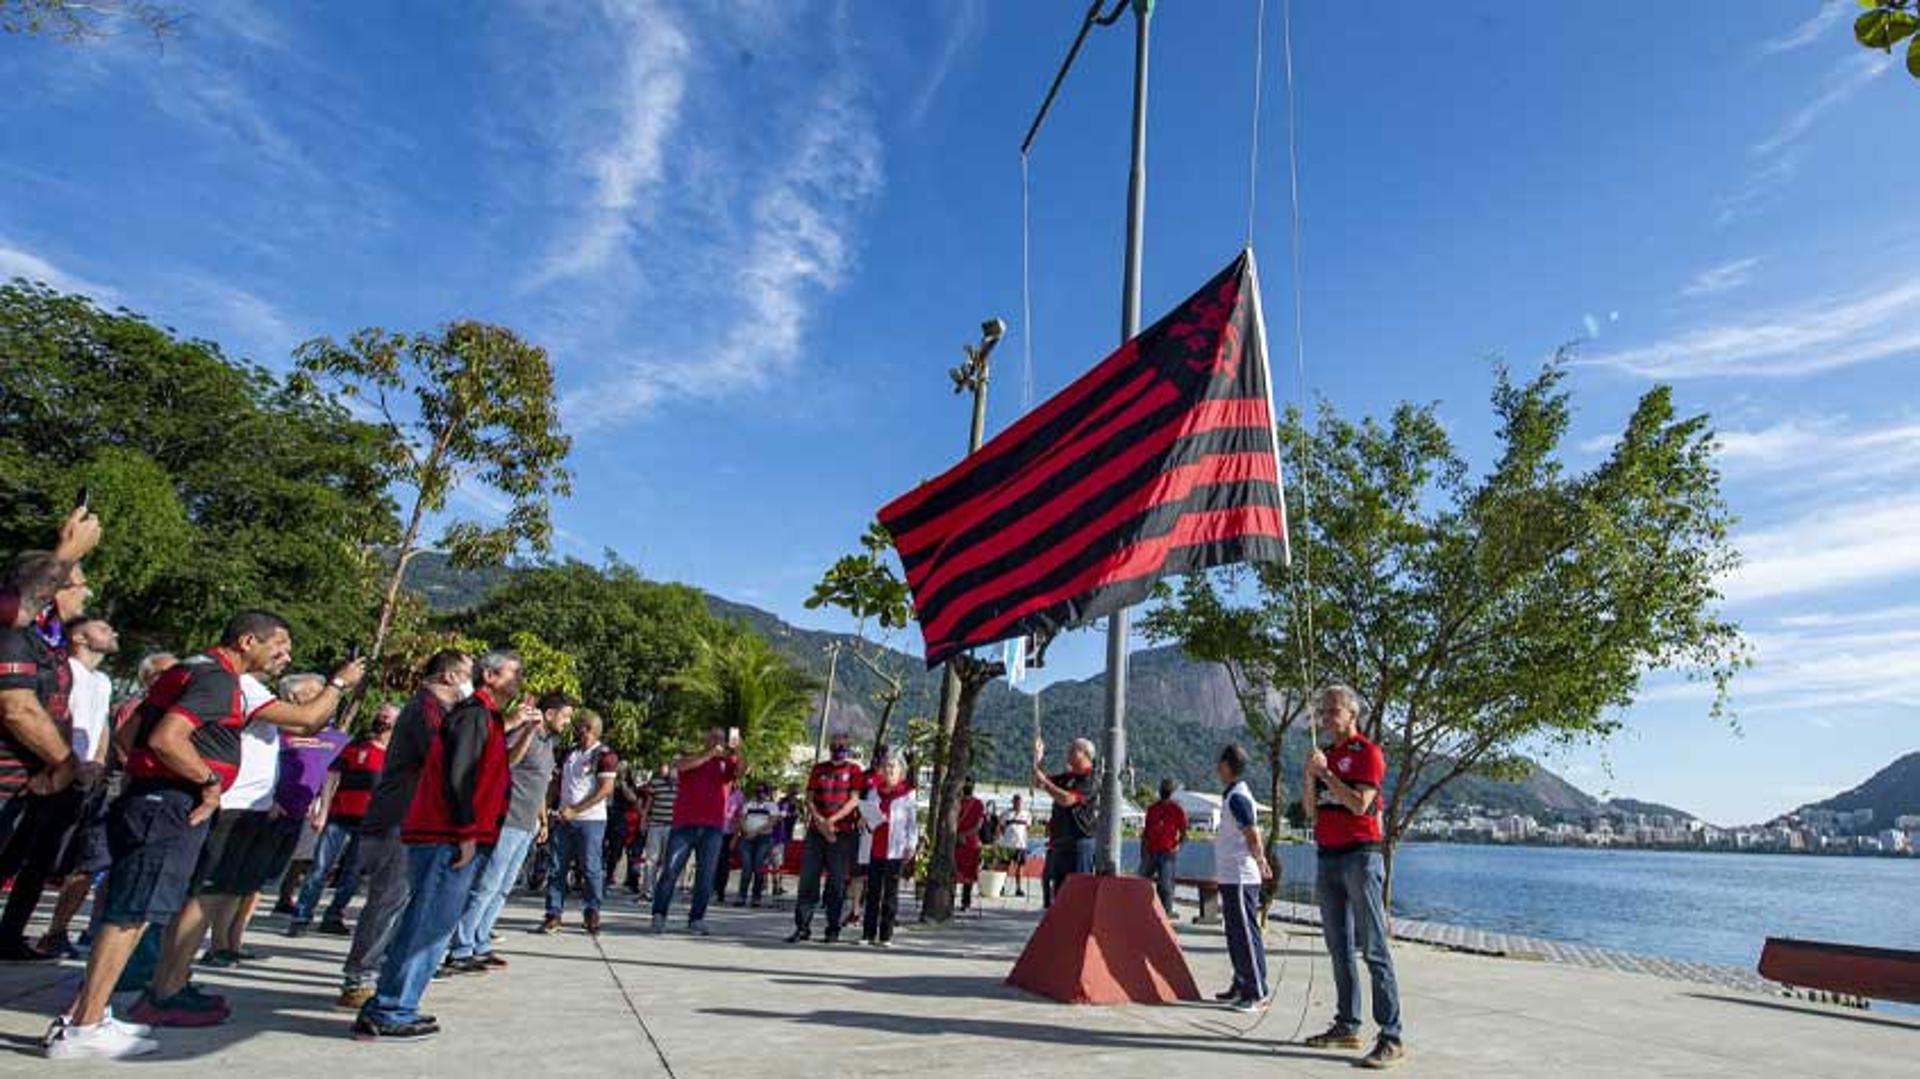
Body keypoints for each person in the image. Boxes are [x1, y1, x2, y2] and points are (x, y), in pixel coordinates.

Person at [45, 611, 362, 1060]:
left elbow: (132, 732)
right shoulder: (221, 680)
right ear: (249, 641)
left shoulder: (188, 669)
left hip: (155, 797)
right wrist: (207, 781)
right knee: (130, 914)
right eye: (280, 645)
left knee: (133, 910)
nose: (285, 656)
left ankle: (90, 1012)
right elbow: (164, 739)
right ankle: (84, 1024)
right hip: (172, 802)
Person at [353, 649, 518, 1042]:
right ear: (491, 676)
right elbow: (460, 776)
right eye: (515, 672)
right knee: (428, 923)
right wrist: (464, 832)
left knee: (433, 923)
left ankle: (395, 1003)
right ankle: (391, 1007)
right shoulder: (474, 715)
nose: (520, 680)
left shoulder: (483, 716)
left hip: (457, 835)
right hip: (447, 836)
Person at [336, 649, 471, 1011]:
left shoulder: (436, 709)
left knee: (398, 902)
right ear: (451, 676)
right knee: (387, 901)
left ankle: (378, 971)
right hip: (397, 819)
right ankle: (358, 977)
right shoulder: (426, 707)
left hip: (412, 820)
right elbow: (443, 756)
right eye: (470, 674)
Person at [1300, 685, 1406, 1070]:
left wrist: (1326, 774)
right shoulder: (1326, 756)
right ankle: (1346, 1024)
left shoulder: (1367, 753)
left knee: (1373, 948)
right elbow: (1310, 812)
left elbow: (1361, 805)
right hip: (1327, 856)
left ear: (1352, 715)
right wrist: (1308, 775)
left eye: (1333, 711)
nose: (1326, 718)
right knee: (1338, 948)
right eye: (1323, 712)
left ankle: (1391, 1035)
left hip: (1361, 857)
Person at [0, 552, 89, 962]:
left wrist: (65, 765)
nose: (86, 592)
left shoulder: (50, 644)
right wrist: (63, 761)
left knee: (30, 861)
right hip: (11, 779)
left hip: (41, 781)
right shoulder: (13, 635)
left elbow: (57, 710)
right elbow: (17, 709)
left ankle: (9, 936)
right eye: (78, 584)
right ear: (52, 591)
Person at [449, 691, 564, 969]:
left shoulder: (550, 743)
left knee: (503, 888)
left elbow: (541, 784)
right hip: (508, 819)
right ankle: (460, 948)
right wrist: (527, 731)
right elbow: (507, 761)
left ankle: (480, 941)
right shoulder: (528, 735)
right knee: (486, 885)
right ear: (549, 714)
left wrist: (543, 821)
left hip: (527, 823)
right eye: (566, 715)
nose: (568, 721)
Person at [32, 616, 118, 959]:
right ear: (80, 637)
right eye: (103, 628)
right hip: (57, 771)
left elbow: (102, 724)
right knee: (35, 856)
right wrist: (68, 761)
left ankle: (56, 931)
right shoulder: (63, 669)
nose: (113, 633)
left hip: (88, 779)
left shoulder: (103, 680)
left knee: (83, 860)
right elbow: (57, 716)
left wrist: (97, 760)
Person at [287, 700, 396, 937]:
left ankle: (334, 915)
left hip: (371, 823)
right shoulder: (356, 747)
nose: (382, 720)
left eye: (388, 717)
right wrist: (323, 811)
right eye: (381, 715)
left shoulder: (397, 755)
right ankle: (302, 916)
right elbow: (331, 778)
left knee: (353, 873)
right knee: (320, 868)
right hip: (340, 817)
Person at [264, 679, 353, 920]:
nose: (322, 696)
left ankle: (287, 897)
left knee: (306, 857)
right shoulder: (278, 731)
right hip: (276, 805)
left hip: (314, 807)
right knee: (265, 865)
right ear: (293, 699)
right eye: (311, 692)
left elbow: (337, 773)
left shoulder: (340, 738)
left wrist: (324, 806)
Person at [648, 727, 741, 936]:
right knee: (671, 869)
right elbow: (681, 766)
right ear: (705, 738)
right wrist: (710, 754)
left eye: (721, 738)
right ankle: (659, 914)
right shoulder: (690, 757)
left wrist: (738, 751)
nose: (718, 741)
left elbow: (739, 772)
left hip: (713, 827)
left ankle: (697, 918)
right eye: (713, 737)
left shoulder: (725, 763)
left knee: (706, 875)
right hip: (685, 824)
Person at [542, 707, 616, 935]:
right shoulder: (569, 753)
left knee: (591, 868)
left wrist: (577, 809)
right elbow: (555, 783)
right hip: (563, 818)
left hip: (590, 820)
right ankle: (553, 913)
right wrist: (547, 809)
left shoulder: (604, 755)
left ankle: (592, 911)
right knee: (556, 867)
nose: (577, 731)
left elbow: (605, 790)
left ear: (592, 730)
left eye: (581, 728)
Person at [787, 731, 865, 943]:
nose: (838, 750)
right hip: (816, 832)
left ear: (848, 748)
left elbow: (854, 800)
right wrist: (820, 822)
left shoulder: (855, 770)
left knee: (836, 883)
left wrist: (832, 821)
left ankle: (832, 929)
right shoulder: (819, 769)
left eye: (842, 746)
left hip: (841, 833)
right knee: (808, 880)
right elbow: (810, 798)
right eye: (834, 746)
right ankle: (802, 927)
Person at [1211, 747, 1273, 1013]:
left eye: (1220, 764)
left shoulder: (1238, 797)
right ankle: (1241, 981)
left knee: (1246, 934)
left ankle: (1257, 991)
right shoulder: (1231, 795)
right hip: (1229, 875)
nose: (1217, 769)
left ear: (1227, 766)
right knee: (1234, 933)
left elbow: (1252, 833)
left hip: (1240, 876)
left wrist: (1261, 861)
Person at [859, 752, 918, 947]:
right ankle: (868, 934)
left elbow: (912, 823)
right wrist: (867, 820)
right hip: (875, 846)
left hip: (895, 849)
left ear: (901, 771)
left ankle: (886, 935)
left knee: (890, 894)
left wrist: (911, 846)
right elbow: (866, 816)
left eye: (894, 766)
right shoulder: (874, 791)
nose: (890, 769)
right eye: (887, 766)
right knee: (872, 892)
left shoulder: (907, 793)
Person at [1032, 737, 1098, 908]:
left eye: (1072, 750)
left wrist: (1045, 783)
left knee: (1079, 891)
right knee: (1060, 893)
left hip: (1080, 842)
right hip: (1061, 841)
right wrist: (1038, 758)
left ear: (1084, 754)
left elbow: (1068, 799)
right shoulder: (1068, 777)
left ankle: (1078, 930)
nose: (1067, 753)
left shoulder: (1090, 778)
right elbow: (1039, 781)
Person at [1140, 778, 1188, 918]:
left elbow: (1184, 834)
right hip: (1151, 851)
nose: (1164, 791)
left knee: (1165, 886)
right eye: (1163, 788)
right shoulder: (1152, 809)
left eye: (1167, 789)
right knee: (1141, 880)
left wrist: (1177, 847)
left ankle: (1165, 913)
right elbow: (1146, 832)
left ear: (1171, 792)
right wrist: (1143, 851)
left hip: (1168, 852)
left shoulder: (1178, 810)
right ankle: (1141, 909)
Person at [733, 782, 778, 907]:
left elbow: (772, 822)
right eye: (758, 791)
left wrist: (756, 832)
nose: (760, 794)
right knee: (746, 868)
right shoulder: (748, 804)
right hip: (747, 837)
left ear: (767, 793)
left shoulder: (771, 806)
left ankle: (756, 897)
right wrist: (746, 831)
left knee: (758, 867)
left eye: (763, 791)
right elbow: (741, 818)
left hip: (763, 838)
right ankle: (742, 896)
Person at [636, 761, 677, 900]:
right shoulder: (656, 782)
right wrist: (643, 820)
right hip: (656, 824)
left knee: (668, 861)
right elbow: (649, 802)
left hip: (672, 826)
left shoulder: (681, 784)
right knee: (651, 859)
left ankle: (663, 891)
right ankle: (648, 890)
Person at [714, 781, 746, 902]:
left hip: (729, 833)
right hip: (715, 831)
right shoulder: (718, 789)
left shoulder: (739, 796)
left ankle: (720, 890)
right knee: (713, 860)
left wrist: (735, 837)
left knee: (724, 863)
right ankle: (710, 887)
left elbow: (740, 817)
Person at [956, 780, 985, 910]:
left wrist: (960, 835)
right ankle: (965, 902)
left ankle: (958, 901)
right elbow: (979, 825)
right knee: (967, 873)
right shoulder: (978, 804)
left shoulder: (957, 802)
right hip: (970, 841)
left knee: (959, 871)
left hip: (960, 840)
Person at [1000, 794, 1031, 898]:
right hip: (1008, 844)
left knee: (1019, 867)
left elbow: (1028, 828)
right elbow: (1001, 827)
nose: (1017, 804)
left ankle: (1018, 888)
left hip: (1021, 844)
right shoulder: (1006, 813)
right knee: (1004, 867)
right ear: (1012, 802)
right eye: (1015, 801)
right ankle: (1001, 887)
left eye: (1019, 802)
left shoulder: (1026, 814)